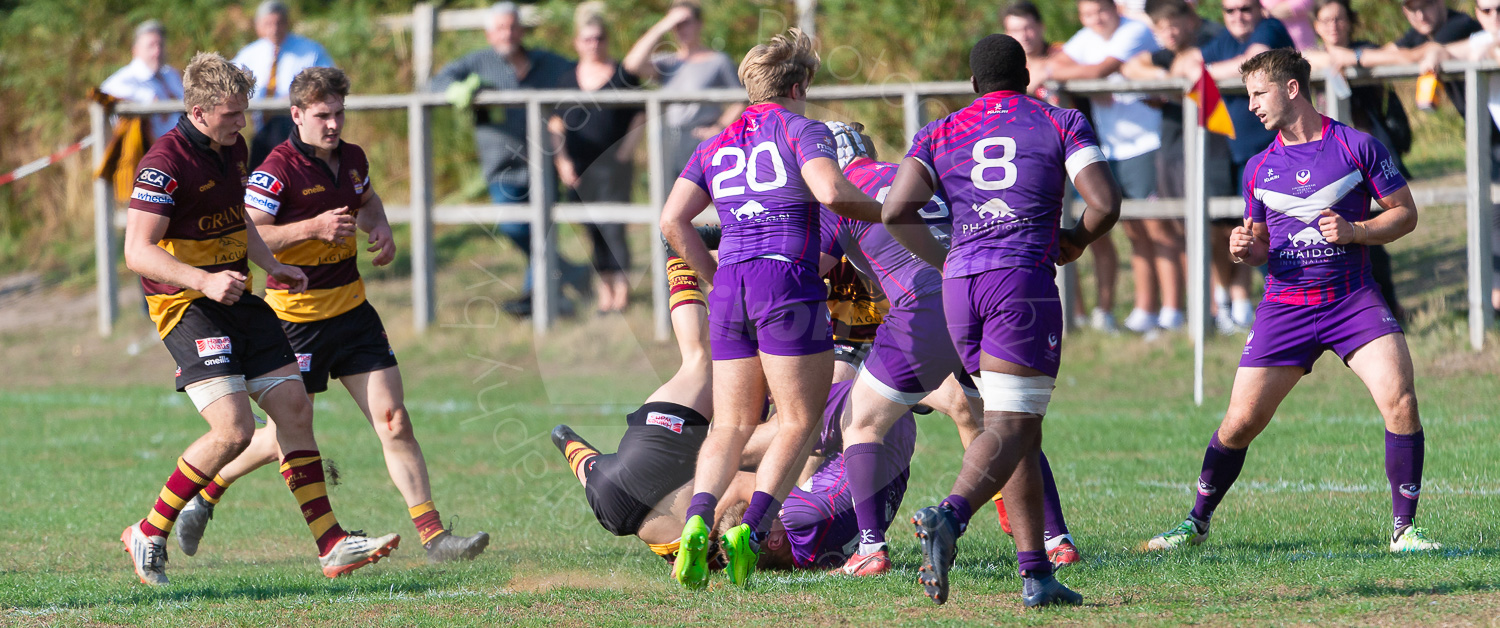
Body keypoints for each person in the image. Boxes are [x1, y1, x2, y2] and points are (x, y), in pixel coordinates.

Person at [168, 67, 491, 564]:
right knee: (281, 435)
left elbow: (366, 200)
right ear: (297, 115)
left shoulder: (354, 158)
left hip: (353, 310)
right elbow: (249, 233)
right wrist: (311, 228)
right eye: (323, 115)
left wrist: (379, 227)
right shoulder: (276, 169)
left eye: (340, 113)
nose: (334, 124)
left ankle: (434, 538)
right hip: (295, 319)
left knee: (395, 419)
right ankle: (205, 495)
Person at [1143, 49, 1440, 554]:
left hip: (1352, 300)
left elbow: (1405, 215)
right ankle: (1195, 522)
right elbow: (1260, 243)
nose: (1253, 105)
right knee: (1239, 423)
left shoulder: (1357, 146)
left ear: (1293, 89)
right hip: (1285, 307)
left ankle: (1404, 530)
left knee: (1401, 400)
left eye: (1259, 93)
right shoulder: (1258, 167)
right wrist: (1246, 248)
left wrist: (1357, 229)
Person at [119, 52, 398, 586]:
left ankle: (332, 545)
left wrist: (272, 263)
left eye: (243, 112)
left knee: (294, 408)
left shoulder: (232, 147)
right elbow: (137, 251)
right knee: (235, 430)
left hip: (237, 295)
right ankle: (149, 531)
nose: (241, 123)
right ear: (198, 112)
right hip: (187, 304)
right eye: (230, 114)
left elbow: (236, 218)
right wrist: (201, 281)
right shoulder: (164, 164)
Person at [883, 34, 1121, 607]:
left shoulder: (941, 130)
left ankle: (1036, 575)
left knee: (1019, 429)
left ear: (973, 83)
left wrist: (948, 260)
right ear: (1028, 74)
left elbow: (895, 210)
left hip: (962, 289)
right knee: (1010, 429)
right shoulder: (1060, 120)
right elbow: (1105, 203)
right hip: (1021, 283)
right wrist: (1076, 241)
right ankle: (950, 517)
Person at [658, 28, 882, 590]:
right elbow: (830, 193)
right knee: (799, 422)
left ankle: (696, 522)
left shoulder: (716, 142)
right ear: (801, 84)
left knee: (730, 423)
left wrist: (712, 279)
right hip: (786, 277)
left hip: (732, 280)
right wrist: (890, 212)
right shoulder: (802, 129)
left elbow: (672, 221)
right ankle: (751, 530)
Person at [549, 239, 917, 573]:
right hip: (612, 501)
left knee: (725, 387)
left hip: (664, 469)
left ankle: (683, 259)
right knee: (707, 378)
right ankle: (680, 260)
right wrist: (567, 442)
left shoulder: (771, 533)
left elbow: (751, 480)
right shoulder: (735, 554)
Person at [817, 121, 1079, 576]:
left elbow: (809, 268)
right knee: (1004, 423)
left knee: (858, 422)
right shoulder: (910, 174)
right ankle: (1056, 540)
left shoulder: (837, 194)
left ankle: (870, 549)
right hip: (978, 293)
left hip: (924, 306)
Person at [434, 2, 588, 318]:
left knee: (541, 229)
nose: (508, 33)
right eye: (501, 27)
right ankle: (570, 272)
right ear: (489, 33)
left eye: (513, 26)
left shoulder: (545, 62)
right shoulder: (477, 63)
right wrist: (460, 89)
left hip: (543, 162)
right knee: (514, 225)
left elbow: (580, 73)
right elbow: (435, 83)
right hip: (501, 166)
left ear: (521, 30)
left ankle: (537, 299)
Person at [1177, 0, 1295, 333]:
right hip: (1234, 153)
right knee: (1242, 231)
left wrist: (1204, 72)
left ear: (1259, 9)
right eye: (1230, 11)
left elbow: (1253, 63)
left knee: (1280, 232)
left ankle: (1293, 304)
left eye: (1245, 8)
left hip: (1276, 152)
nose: (1238, 16)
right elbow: (1187, 63)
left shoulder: (1269, 29)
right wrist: (1199, 68)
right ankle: (1240, 303)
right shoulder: (1223, 41)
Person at [1002, 1, 1119, 332]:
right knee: (1052, 236)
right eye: (1015, 28)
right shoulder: (1006, 67)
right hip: (1036, 166)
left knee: (1097, 231)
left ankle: (1105, 311)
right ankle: (1074, 314)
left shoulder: (1064, 54)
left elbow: (1095, 70)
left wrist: (1051, 70)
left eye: (1028, 26)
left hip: (1081, 159)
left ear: (1040, 27)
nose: (1024, 34)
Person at [1052, 0, 1159, 333]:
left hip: (1146, 141)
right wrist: (1090, 80)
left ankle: (1157, 309)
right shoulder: (1087, 38)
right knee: (1124, 229)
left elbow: (1099, 70)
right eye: (1087, 13)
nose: (1095, 19)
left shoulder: (1135, 30)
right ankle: (1136, 310)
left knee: (1153, 230)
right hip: (1111, 145)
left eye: (1100, 10)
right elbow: (1055, 67)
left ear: (1115, 9)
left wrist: (1094, 77)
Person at [1307, 0, 1410, 320]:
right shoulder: (1309, 59)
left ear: (1351, 22)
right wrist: (1330, 60)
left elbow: (1397, 57)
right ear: (1315, 26)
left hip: (1364, 160)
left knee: (1371, 235)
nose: (1334, 26)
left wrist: (1353, 59)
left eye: (1339, 19)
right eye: (1326, 21)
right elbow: (1296, 60)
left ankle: (1388, 309)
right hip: (1324, 163)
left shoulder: (1364, 50)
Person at [555, 13, 647, 315]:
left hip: (613, 169)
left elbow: (640, 114)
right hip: (579, 170)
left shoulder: (621, 74)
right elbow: (555, 124)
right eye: (587, 38)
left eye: (599, 38)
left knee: (614, 228)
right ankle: (604, 289)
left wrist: (626, 151)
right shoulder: (567, 79)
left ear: (606, 40)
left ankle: (621, 291)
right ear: (577, 43)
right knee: (592, 229)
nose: (594, 44)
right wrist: (562, 162)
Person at [623, 0, 746, 195]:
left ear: (699, 23)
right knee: (669, 200)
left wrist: (719, 127)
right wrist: (664, 24)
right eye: (676, 24)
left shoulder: (718, 61)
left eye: (686, 21)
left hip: (700, 139)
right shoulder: (668, 62)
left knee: (708, 199)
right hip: (668, 140)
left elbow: (742, 99)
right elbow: (631, 65)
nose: (681, 29)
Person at [232, 0, 335, 169]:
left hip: (297, 131)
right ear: (258, 26)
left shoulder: (310, 51)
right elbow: (227, 83)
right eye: (268, 23)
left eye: (278, 23)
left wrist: (297, 97)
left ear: (287, 23)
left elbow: (329, 82)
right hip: (260, 132)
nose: (274, 29)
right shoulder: (249, 54)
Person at [101, 20, 183, 140]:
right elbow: (104, 92)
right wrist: (147, 98)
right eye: (151, 46)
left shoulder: (170, 75)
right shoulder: (127, 77)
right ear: (136, 50)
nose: (157, 52)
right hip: (149, 153)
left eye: (160, 45)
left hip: (182, 147)